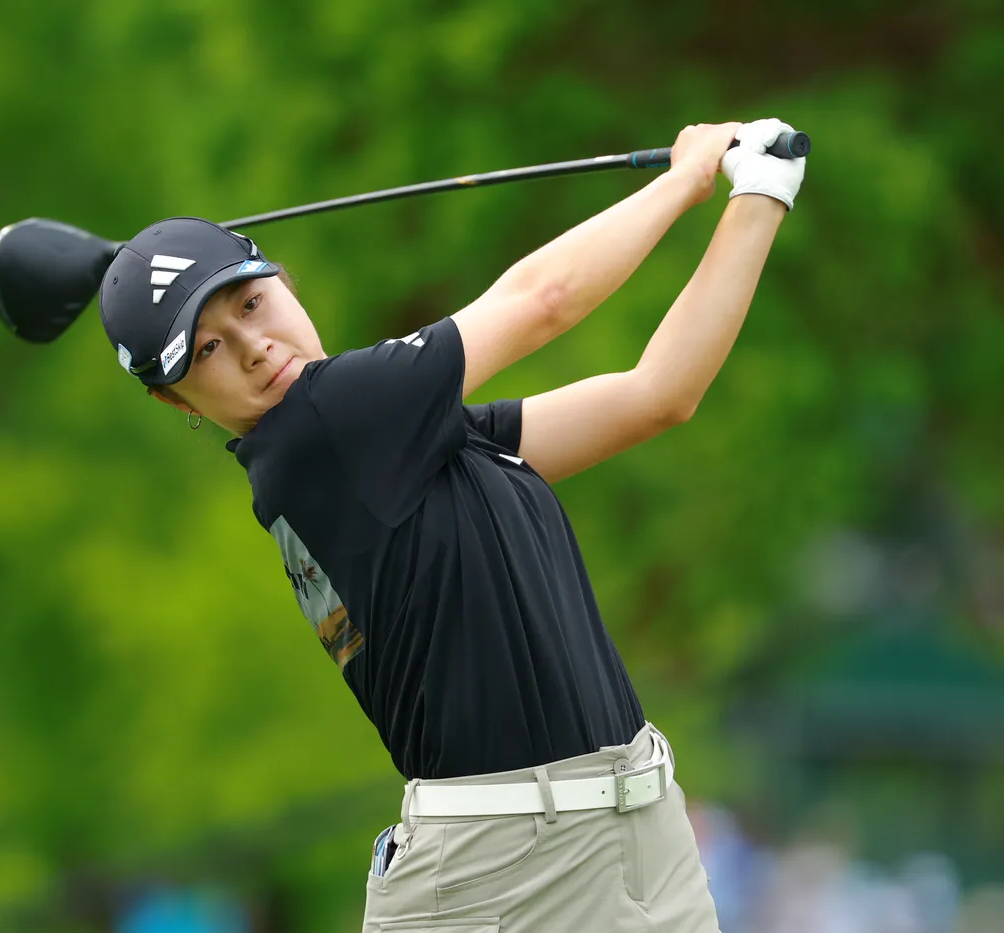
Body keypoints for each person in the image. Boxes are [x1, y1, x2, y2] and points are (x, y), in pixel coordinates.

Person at [97, 118, 806, 933]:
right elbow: (541, 301)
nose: (254, 346)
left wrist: (761, 192)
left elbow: (657, 395)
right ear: (175, 400)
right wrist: (685, 178)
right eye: (208, 350)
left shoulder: (405, 445)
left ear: (284, 280)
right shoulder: (322, 427)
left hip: (640, 836)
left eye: (252, 302)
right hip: (503, 877)